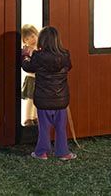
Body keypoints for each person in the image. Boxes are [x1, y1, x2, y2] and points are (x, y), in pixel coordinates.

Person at [22, 26, 76, 160]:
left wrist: (24, 56)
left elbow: (28, 67)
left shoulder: (38, 56)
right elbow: (69, 67)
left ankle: (41, 153)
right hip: (60, 100)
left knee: (44, 129)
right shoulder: (65, 55)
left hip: (44, 100)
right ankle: (63, 153)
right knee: (61, 129)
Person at [21, 24, 39, 126]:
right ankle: (28, 118)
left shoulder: (40, 47)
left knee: (37, 100)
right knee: (30, 100)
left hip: (39, 78)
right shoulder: (26, 50)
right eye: (27, 38)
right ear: (24, 41)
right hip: (31, 78)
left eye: (32, 36)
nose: (31, 40)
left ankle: (35, 117)